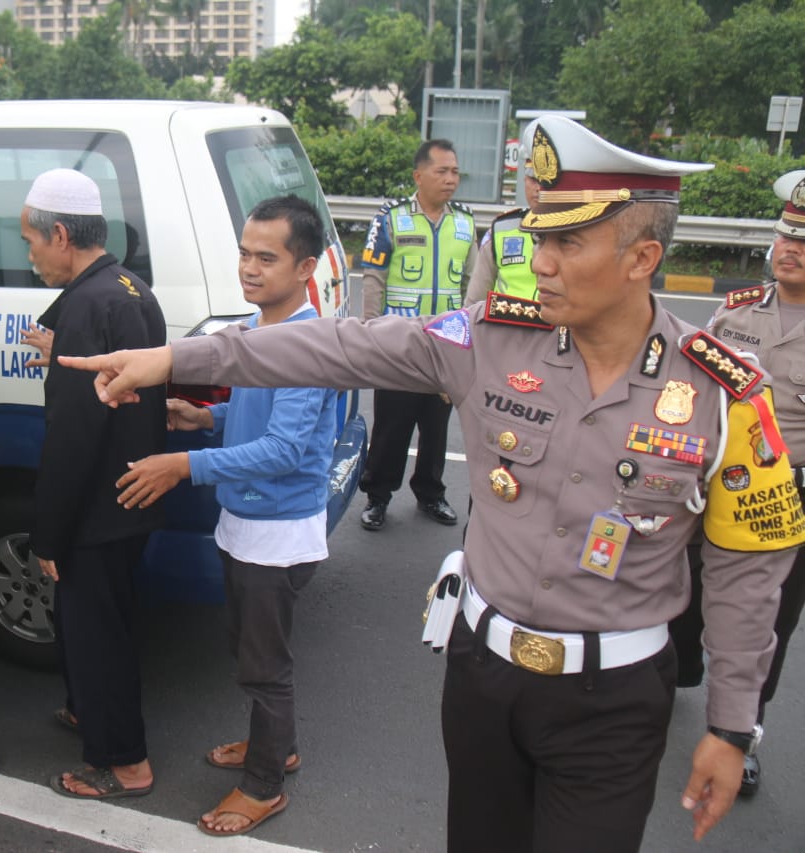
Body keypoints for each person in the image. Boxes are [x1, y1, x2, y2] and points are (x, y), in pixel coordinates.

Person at [60, 115, 805, 851]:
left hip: (615, 697)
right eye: (540, 236)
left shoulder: (726, 393)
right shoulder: (487, 338)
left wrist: (730, 725)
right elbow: (339, 346)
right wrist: (172, 360)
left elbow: (750, 575)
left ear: (642, 257)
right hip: (482, 673)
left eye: (566, 242)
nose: (539, 261)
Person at [113, 196, 335, 837]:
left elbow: (287, 449)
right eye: (245, 253)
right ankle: (276, 745)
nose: (251, 268)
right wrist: (206, 419)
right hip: (244, 523)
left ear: (306, 267)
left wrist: (183, 464)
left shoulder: (307, 344)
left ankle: (265, 784)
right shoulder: (258, 327)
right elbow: (259, 418)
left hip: (278, 532)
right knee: (246, 650)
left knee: (265, 667)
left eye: (268, 258)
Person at [21, 168, 167, 801]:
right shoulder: (128, 287)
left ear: (60, 234)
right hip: (131, 493)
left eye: (31, 241)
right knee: (102, 621)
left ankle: (124, 763)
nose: (29, 254)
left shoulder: (86, 305)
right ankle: (89, 711)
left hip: (97, 508)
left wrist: (47, 535)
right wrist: (63, 350)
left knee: (96, 632)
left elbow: (74, 439)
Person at [668, 167, 805, 798]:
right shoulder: (738, 310)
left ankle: (744, 731)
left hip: (788, 495)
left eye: (803, 243)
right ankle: (671, 680)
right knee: (688, 595)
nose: (790, 251)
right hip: (720, 479)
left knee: (764, 618)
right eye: (785, 238)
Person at [358, 139, 476, 532]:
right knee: (393, 422)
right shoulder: (391, 217)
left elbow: (474, 286)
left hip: (446, 342)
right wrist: (369, 333)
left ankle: (431, 493)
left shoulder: (464, 222)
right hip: (399, 341)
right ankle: (378, 496)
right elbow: (373, 277)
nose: (450, 179)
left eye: (455, 172)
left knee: (436, 423)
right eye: (442, 171)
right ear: (419, 175)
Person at [466, 123, 541, 305]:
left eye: (546, 182)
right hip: (506, 332)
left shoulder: (578, 232)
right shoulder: (501, 230)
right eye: (533, 180)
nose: (539, 188)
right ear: (524, 180)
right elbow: (474, 302)